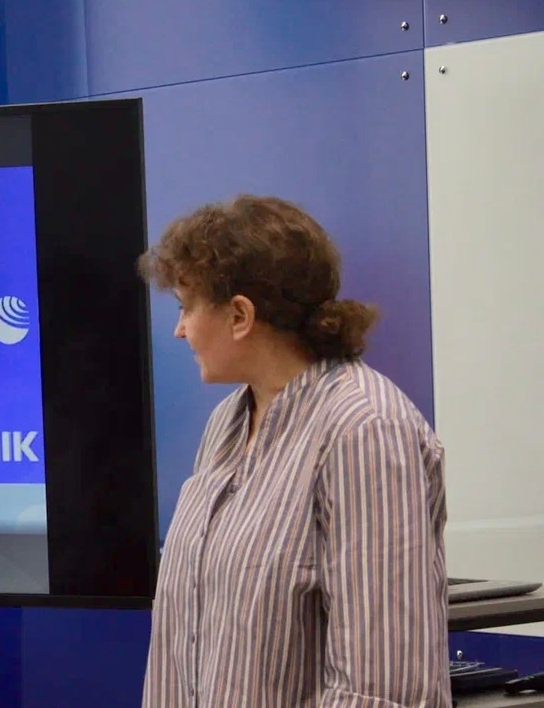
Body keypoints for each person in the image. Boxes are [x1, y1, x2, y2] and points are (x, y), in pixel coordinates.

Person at [137, 195, 449, 707]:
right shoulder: (227, 423)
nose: (179, 329)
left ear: (240, 315)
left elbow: (380, 684)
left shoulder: (365, 429)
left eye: (186, 307)